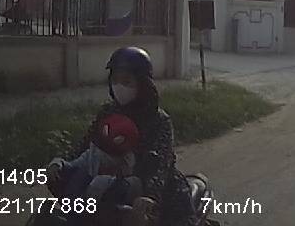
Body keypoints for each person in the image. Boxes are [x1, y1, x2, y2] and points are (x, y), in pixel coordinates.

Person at [50, 47, 199, 226]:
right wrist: (61, 163)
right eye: (115, 80)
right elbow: (86, 145)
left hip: (151, 186)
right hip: (107, 184)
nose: (119, 86)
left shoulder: (159, 120)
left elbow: (160, 164)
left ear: (142, 84)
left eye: (126, 81)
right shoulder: (108, 112)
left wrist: (150, 195)